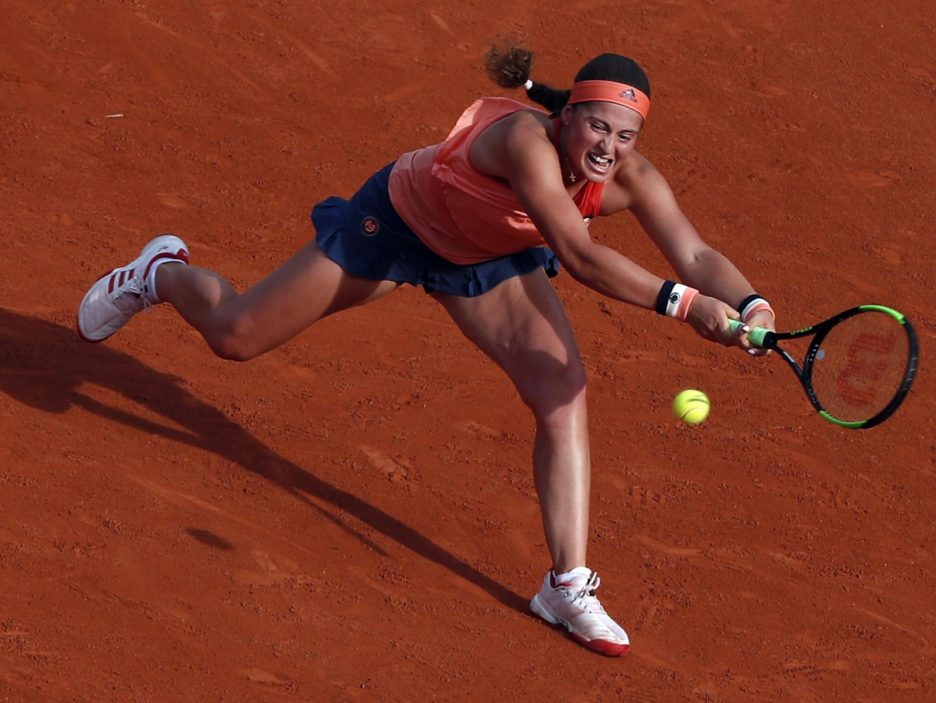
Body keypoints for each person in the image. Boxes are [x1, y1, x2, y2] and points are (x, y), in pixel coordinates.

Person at [77, 44, 776, 657]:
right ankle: (159, 271)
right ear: (567, 116)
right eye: (598, 126)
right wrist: (685, 305)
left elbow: (695, 251)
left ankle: (565, 585)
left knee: (562, 389)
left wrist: (751, 305)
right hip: (400, 226)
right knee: (234, 334)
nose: (608, 148)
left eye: (625, 135)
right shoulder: (527, 141)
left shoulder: (633, 178)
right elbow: (578, 255)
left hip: (488, 263)